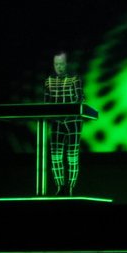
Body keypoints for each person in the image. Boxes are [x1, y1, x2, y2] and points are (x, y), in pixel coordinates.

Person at [44, 51, 85, 196]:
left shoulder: (75, 79)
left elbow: (80, 98)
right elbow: (46, 103)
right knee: (55, 155)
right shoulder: (49, 81)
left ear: (66, 64)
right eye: (56, 64)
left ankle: (70, 187)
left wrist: (71, 109)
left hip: (73, 120)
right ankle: (60, 187)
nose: (59, 67)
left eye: (61, 64)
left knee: (72, 155)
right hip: (56, 121)